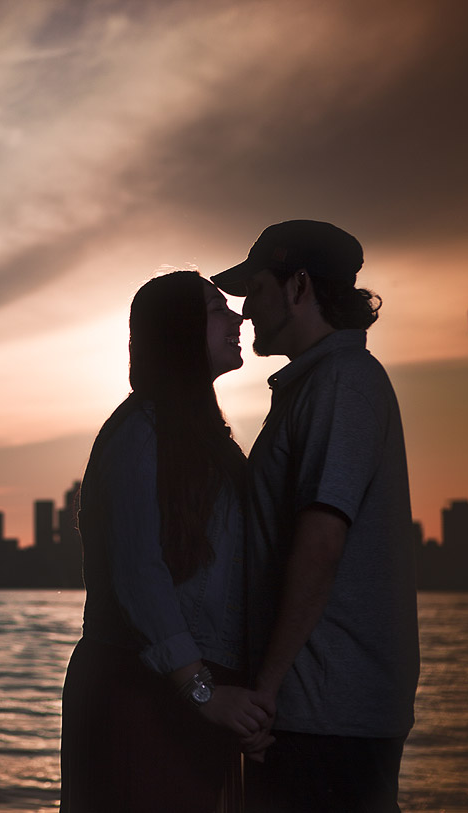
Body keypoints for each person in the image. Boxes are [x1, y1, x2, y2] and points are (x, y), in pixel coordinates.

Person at [212, 221, 420, 812]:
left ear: (298, 286)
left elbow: (322, 540)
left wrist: (266, 689)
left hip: (326, 712)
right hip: (316, 709)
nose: (246, 309)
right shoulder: (315, 385)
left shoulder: (341, 382)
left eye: (255, 288)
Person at [61, 270, 274, 813]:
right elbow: (140, 571)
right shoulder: (141, 433)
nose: (238, 317)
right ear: (180, 330)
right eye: (216, 309)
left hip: (188, 697)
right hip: (140, 698)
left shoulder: (206, 441)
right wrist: (199, 689)